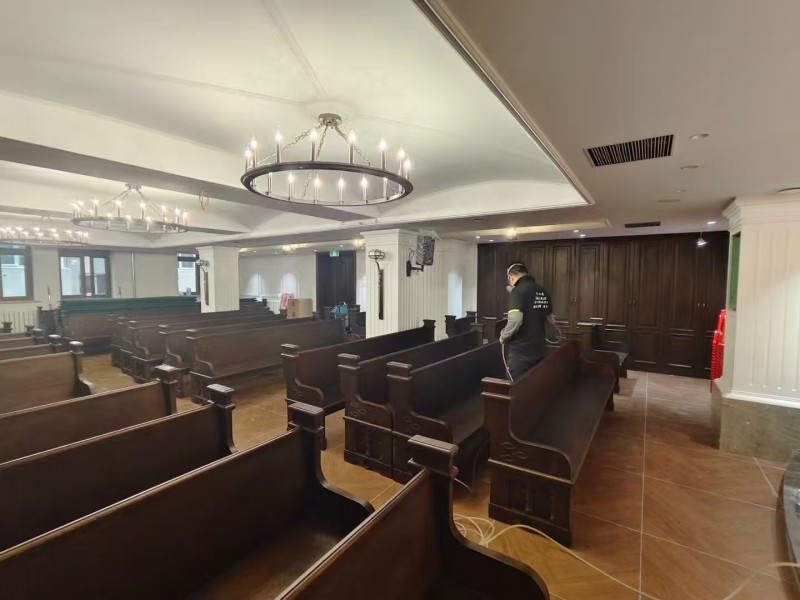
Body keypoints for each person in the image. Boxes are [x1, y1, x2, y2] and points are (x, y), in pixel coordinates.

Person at [499, 262, 554, 380]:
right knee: (533, 385)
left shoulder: (517, 291)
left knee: (515, 388)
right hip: (540, 350)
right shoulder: (543, 291)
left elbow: (515, 320)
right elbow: (551, 320)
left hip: (521, 354)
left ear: (510, 278)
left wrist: (504, 336)